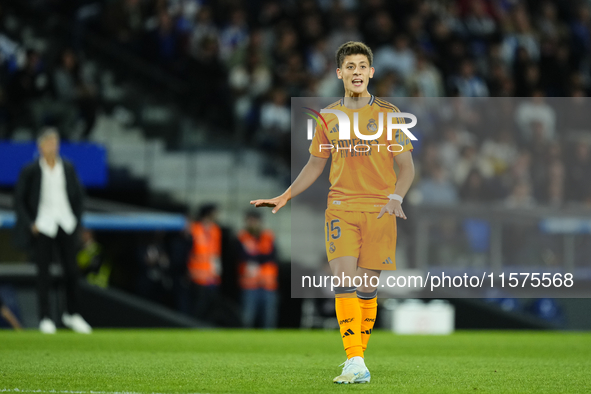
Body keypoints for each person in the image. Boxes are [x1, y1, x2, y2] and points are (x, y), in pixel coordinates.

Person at [251, 41, 415, 384]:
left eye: (362, 66)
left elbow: (407, 168)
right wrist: (286, 195)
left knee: (368, 291)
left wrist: (397, 197)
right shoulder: (327, 116)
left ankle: (357, 360)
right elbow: (315, 164)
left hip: (381, 210)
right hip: (340, 207)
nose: (356, 73)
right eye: (349, 67)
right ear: (339, 73)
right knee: (343, 281)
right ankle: (355, 360)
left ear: (371, 72)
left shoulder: (389, 114)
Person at [14, 128, 92, 334]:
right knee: (43, 273)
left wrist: (76, 219)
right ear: (40, 146)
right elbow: (19, 200)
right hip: (44, 225)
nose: (53, 146)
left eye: (55, 142)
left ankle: (73, 314)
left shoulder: (67, 167)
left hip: (65, 223)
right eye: (49, 143)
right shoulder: (30, 170)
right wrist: (31, 223)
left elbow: (78, 196)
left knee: (72, 271)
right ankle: (45, 317)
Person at [237, 211, 278, 329]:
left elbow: (272, 256)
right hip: (249, 284)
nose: (252, 224)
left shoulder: (268, 236)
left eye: (254, 221)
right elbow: (241, 256)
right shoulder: (242, 237)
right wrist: (261, 257)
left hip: (268, 284)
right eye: (250, 221)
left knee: (268, 319)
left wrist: (254, 257)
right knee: (247, 319)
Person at [187, 204, 222, 320]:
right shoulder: (195, 229)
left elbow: (215, 253)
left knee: (210, 306)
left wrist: (216, 272)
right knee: (197, 307)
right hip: (196, 276)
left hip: (211, 276)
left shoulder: (215, 230)